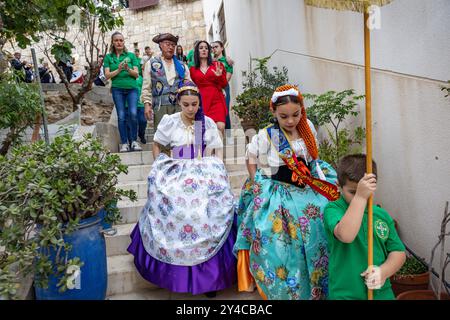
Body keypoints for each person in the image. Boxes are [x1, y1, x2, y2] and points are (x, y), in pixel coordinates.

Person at [127, 80, 237, 297]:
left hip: (203, 172)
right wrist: (159, 164)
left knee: (204, 215)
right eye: (186, 104)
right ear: (178, 103)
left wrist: (217, 169)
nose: (190, 109)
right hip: (177, 172)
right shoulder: (170, 122)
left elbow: (217, 151)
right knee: (177, 210)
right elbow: (157, 144)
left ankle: (209, 279)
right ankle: (173, 273)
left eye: (194, 104)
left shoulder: (205, 123)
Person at [233, 84, 340, 300]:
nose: (291, 121)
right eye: (284, 116)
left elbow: (311, 158)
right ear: (273, 112)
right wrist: (255, 181)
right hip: (279, 189)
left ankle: (321, 279)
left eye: (295, 115)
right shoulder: (266, 135)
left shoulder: (307, 126)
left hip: (308, 185)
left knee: (323, 219)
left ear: (302, 110)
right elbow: (250, 157)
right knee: (277, 237)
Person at [323, 154, 406, 300]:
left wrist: (383, 272)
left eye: (364, 190)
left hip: (381, 294)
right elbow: (346, 235)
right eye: (353, 192)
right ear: (338, 186)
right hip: (345, 294)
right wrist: (360, 197)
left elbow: (398, 252)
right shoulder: (333, 209)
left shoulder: (381, 215)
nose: (358, 195)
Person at [141, 33, 190, 139]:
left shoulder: (182, 66)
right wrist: (147, 104)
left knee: (179, 138)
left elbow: (188, 85)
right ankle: (163, 155)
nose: (171, 47)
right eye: (167, 44)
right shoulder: (152, 64)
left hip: (179, 106)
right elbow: (146, 86)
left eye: (173, 45)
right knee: (162, 138)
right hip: (160, 106)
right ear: (160, 45)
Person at [103, 31, 142, 153]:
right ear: (113, 42)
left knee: (133, 113)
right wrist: (119, 69)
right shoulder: (109, 57)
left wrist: (128, 69)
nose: (119, 42)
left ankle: (134, 141)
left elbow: (136, 74)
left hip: (132, 89)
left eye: (121, 40)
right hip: (117, 89)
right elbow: (107, 75)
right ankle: (124, 143)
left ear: (124, 42)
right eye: (116, 40)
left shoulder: (131, 56)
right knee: (121, 116)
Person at [190, 40, 228, 138]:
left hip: (216, 98)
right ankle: (204, 152)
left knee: (220, 126)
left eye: (206, 48)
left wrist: (219, 76)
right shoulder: (192, 69)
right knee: (201, 130)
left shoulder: (217, 65)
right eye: (201, 48)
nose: (204, 50)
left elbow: (224, 84)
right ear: (197, 51)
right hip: (201, 101)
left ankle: (218, 152)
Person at [212, 41, 233, 136]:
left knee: (225, 112)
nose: (214, 49)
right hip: (212, 89)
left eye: (216, 47)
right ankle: (217, 137)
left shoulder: (227, 61)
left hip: (224, 88)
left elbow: (227, 77)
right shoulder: (210, 61)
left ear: (222, 48)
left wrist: (220, 87)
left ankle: (228, 137)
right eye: (212, 47)